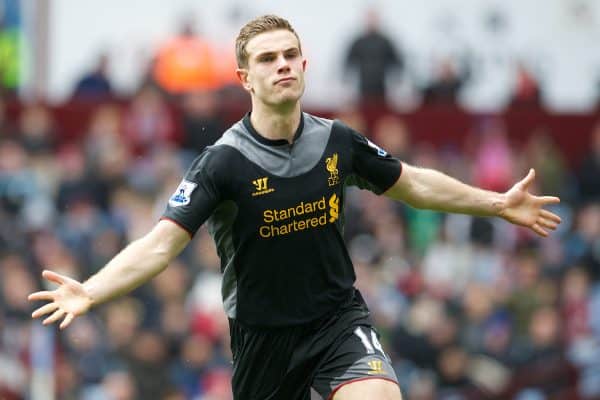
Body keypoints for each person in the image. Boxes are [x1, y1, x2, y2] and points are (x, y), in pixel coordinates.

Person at [29, 15, 562, 400]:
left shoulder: (338, 141)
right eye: (267, 59)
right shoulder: (222, 164)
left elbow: (412, 184)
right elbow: (160, 246)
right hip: (262, 339)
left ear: (303, 65)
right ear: (245, 79)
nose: (282, 65)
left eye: (289, 55)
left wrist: (496, 203)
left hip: (337, 320)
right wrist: (92, 289)